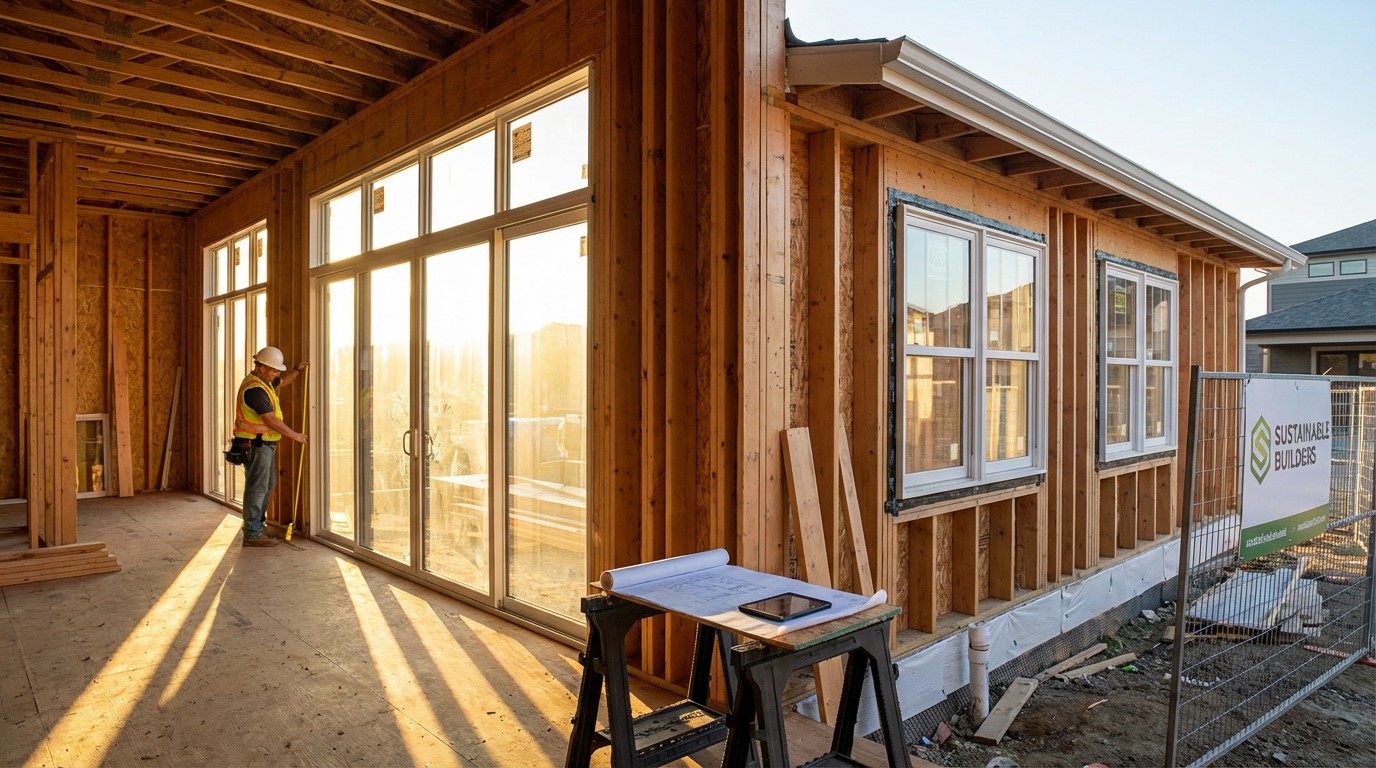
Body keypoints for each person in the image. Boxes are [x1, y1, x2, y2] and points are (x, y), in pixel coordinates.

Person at [234, 346, 308, 547]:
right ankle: (252, 533)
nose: (277, 374)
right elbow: (271, 420)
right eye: (274, 370)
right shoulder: (255, 390)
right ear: (261, 366)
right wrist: (295, 436)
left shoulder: (264, 383)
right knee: (257, 488)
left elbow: (281, 383)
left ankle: (256, 526)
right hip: (255, 444)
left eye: (278, 370)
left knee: (266, 486)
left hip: (263, 444)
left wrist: (297, 371)